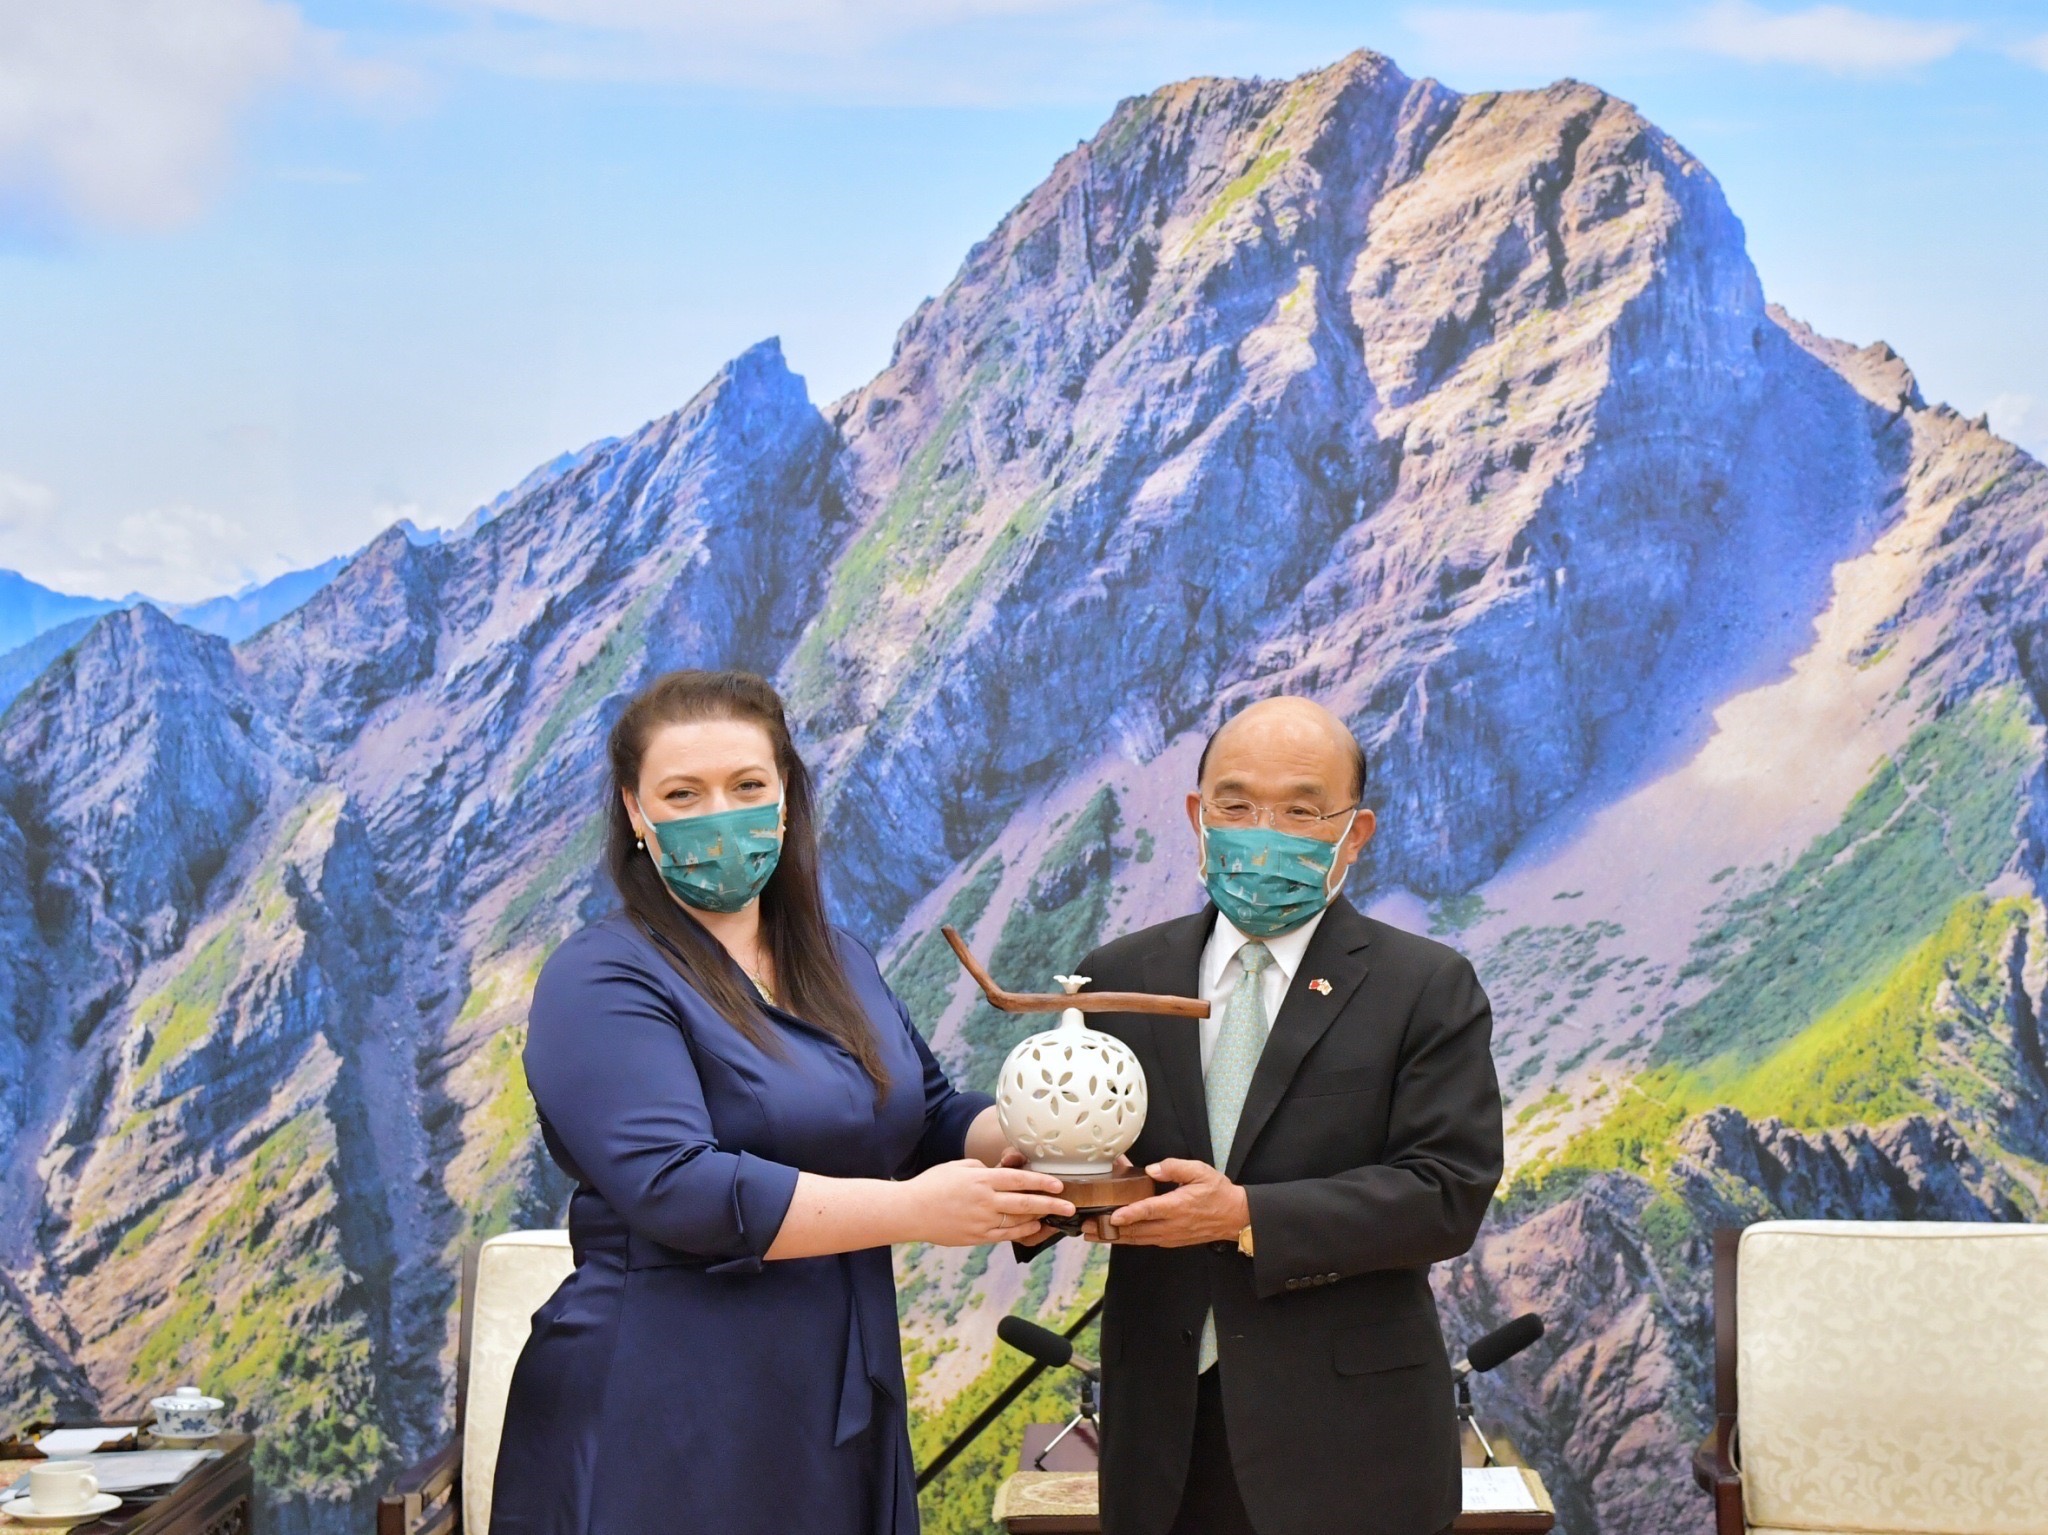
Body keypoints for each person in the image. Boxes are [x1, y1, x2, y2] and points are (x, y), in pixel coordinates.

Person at [490, 669, 1075, 1535]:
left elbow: (925, 1116)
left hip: (831, 1395)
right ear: (635, 811)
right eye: (683, 794)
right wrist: (915, 1211)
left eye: (746, 785)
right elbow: (678, 1186)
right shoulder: (600, 975)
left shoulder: (837, 958)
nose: (720, 814)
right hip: (664, 1402)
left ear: (786, 800)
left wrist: (1044, 1139)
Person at [1032, 696, 1504, 1535]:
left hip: (1352, 1449)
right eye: (1237, 804)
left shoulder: (1425, 985)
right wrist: (1043, 1183)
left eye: (1301, 811)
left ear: (1354, 832)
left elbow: (1446, 1192)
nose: (1263, 833)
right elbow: (1091, 1153)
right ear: (1197, 814)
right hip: (1161, 1442)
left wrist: (1245, 1214)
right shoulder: (1119, 976)